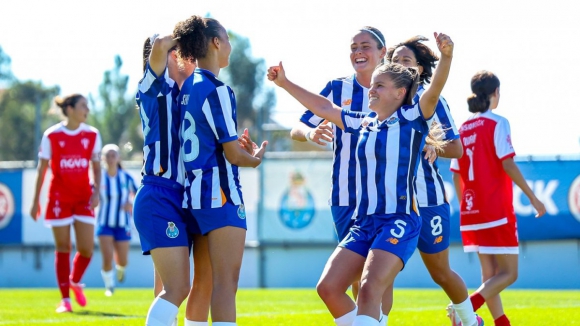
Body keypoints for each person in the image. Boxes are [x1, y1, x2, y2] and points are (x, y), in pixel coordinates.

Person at [269, 32, 454, 326]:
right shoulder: (363, 122)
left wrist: (446, 56)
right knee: (328, 288)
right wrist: (284, 83)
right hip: (363, 221)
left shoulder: (412, 118)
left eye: (380, 85)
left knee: (369, 289)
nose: (372, 90)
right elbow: (325, 108)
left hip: (399, 220)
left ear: (399, 93)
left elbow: (434, 89)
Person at [378, 36, 483, 326]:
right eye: (394, 60)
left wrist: (430, 143)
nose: (399, 64)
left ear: (421, 69)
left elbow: (456, 148)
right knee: (380, 274)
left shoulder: (431, 99)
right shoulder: (382, 99)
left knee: (440, 273)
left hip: (427, 201)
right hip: (390, 202)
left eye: (406, 60)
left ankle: (469, 320)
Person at [173, 15, 268, 325]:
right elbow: (233, 156)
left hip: (194, 196)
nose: (229, 45)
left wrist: (238, 149)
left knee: (203, 284)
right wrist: (253, 157)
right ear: (215, 42)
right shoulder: (217, 89)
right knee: (226, 285)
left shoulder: (187, 87)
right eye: (226, 39)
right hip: (221, 196)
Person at [288, 27, 387, 323]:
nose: (358, 51)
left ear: (383, 51)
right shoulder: (337, 88)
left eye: (365, 45)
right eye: (353, 46)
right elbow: (297, 128)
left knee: (377, 276)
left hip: (385, 198)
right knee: (355, 277)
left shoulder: (397, 88)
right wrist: (310, 132)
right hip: (345, 197)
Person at [450, 70, 546, 326]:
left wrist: (465, 207)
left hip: (472, 212)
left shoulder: (463, 127)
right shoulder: (497, 122)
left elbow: (456, 176)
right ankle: (464, 309)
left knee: (489, 275)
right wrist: (533, 198)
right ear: (496, 93)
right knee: (509, 274)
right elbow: (508, 164)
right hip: (496, 209)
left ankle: (500, 323)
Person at [29, 94, 102, 313]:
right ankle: (65, 300)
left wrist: (96, 191)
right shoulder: (51, 135)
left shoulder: (92, 134)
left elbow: (96, 168)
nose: (87, 109)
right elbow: (41, 170)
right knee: (63, 247)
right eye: (83, 105)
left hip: (83, 198)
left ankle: (74, 280)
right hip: (59, 198)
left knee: (87, 249)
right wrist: (35, 202)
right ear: (69, 109)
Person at [96, 143, 137, 297]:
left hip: (122, 224)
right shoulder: (99, 177)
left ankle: (121, 269)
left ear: (119, 157)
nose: (111, 158)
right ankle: (109, 286)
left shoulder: (126, 177)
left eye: (114, 155)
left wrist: (131, 204)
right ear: (103, 158)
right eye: (108, 155)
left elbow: (138, 194)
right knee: (107, 257)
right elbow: (91, 194)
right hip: (104, 223)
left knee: (123, 260)